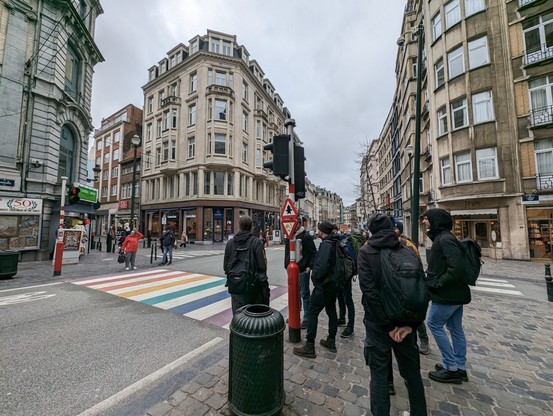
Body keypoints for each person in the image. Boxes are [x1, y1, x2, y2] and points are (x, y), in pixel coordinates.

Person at [358, 213, 427, 416]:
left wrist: (387, 326)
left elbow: (369, 293)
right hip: (406, 323)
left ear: (371, 230)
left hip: (379, 325)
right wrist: (412, 326)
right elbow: (421, 289)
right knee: (412, 375)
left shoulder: (366, 251)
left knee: (379, 376)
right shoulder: (407, 249)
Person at [423, 208, 471, 384]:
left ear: (436, 221)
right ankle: (459, 366)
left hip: (448, 294)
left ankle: (451, 367)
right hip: (455, 294)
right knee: (455, 328)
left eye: (427, 219)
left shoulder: (444, 239)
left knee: (434, 324)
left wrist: (436, 283)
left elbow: (455, 268)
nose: (424, 222)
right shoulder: (444, 238)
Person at [293, 221, 339, 358]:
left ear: (323, 231)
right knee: (331, 312)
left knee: (312, 313)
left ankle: (309, 345)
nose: (317, 232)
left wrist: (315, 277)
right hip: (332, 285)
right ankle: (331, 340)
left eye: (319, 230)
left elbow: (322, 266)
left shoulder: (326, 245)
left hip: (323, 286)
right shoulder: (335, 242)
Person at [393, 219, 431, 356]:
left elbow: (417, 265)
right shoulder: (386, 243)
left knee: (414, 315)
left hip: (410, 284)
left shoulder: (408, 244)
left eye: (395, 229)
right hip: (395, 286)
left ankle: (423, 339)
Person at [223, 215, 270, 314]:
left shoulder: (230, 243)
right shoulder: (256, 243)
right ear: (251, 227)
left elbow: (226, 266)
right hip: (252, 288)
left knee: (239, 320)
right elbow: (262, 267)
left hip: (235, 287)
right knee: (253, 320)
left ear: (239, 226)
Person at [284, 217, 317, 329]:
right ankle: (294, 315)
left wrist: (309, 266)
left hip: (303, 269)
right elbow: (287, 252)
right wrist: (286, 265)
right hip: (292, 269)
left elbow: (313, 252)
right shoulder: (290, 235)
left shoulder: (305, 236)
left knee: (304, 293)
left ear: (298, 223)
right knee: (294, 293)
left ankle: (307, 318)